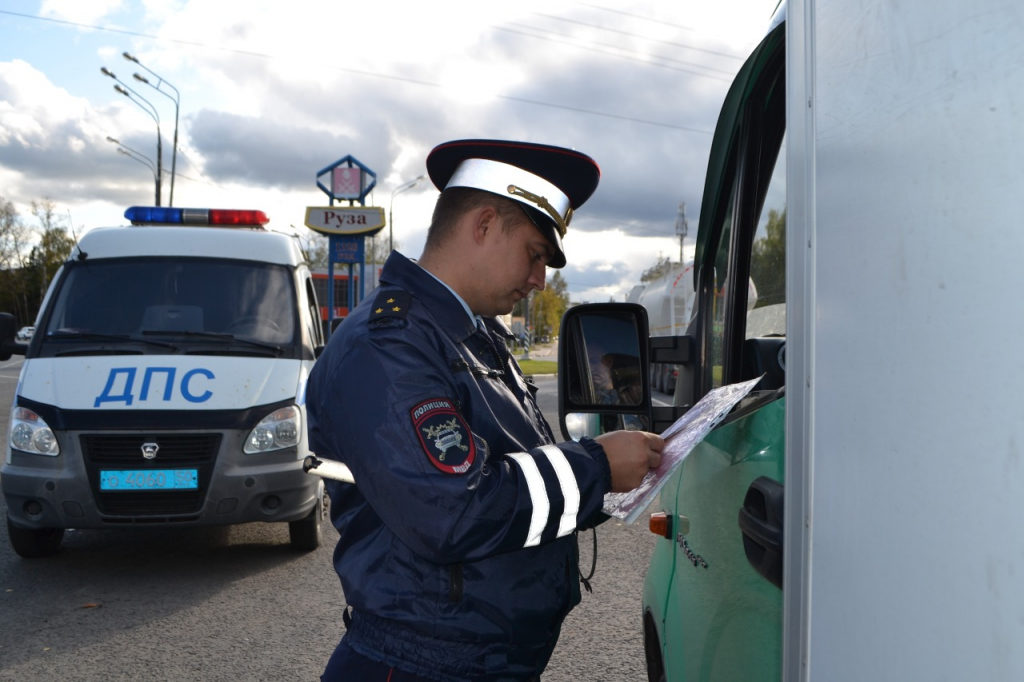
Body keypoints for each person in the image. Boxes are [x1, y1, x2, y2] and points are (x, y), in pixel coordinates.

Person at [306, 139, 665, 681]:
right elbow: (455, 511)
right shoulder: (390, 345)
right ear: (484, 224)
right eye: (536, 254)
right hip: (420, 664)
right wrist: (596, 466)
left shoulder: (470, 336)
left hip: (478, 659)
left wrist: (603, 477)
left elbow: (516, 470)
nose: (539, 279)